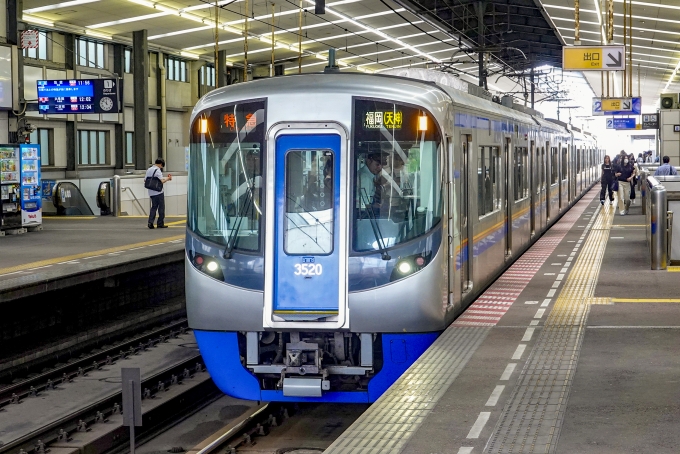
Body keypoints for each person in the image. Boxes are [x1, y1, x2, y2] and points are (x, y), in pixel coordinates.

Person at [146, 158, 172, 229]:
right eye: (162, 166)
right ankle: (160, 223)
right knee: (161, 207)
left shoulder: (149, 169)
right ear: (160, 164)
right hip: (158, 192)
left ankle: (150, 222)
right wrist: (168, 178)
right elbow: (162, 181)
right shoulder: (157, 170)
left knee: (154, 207)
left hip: (151, 192)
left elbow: (145, 180)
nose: (161, 167)